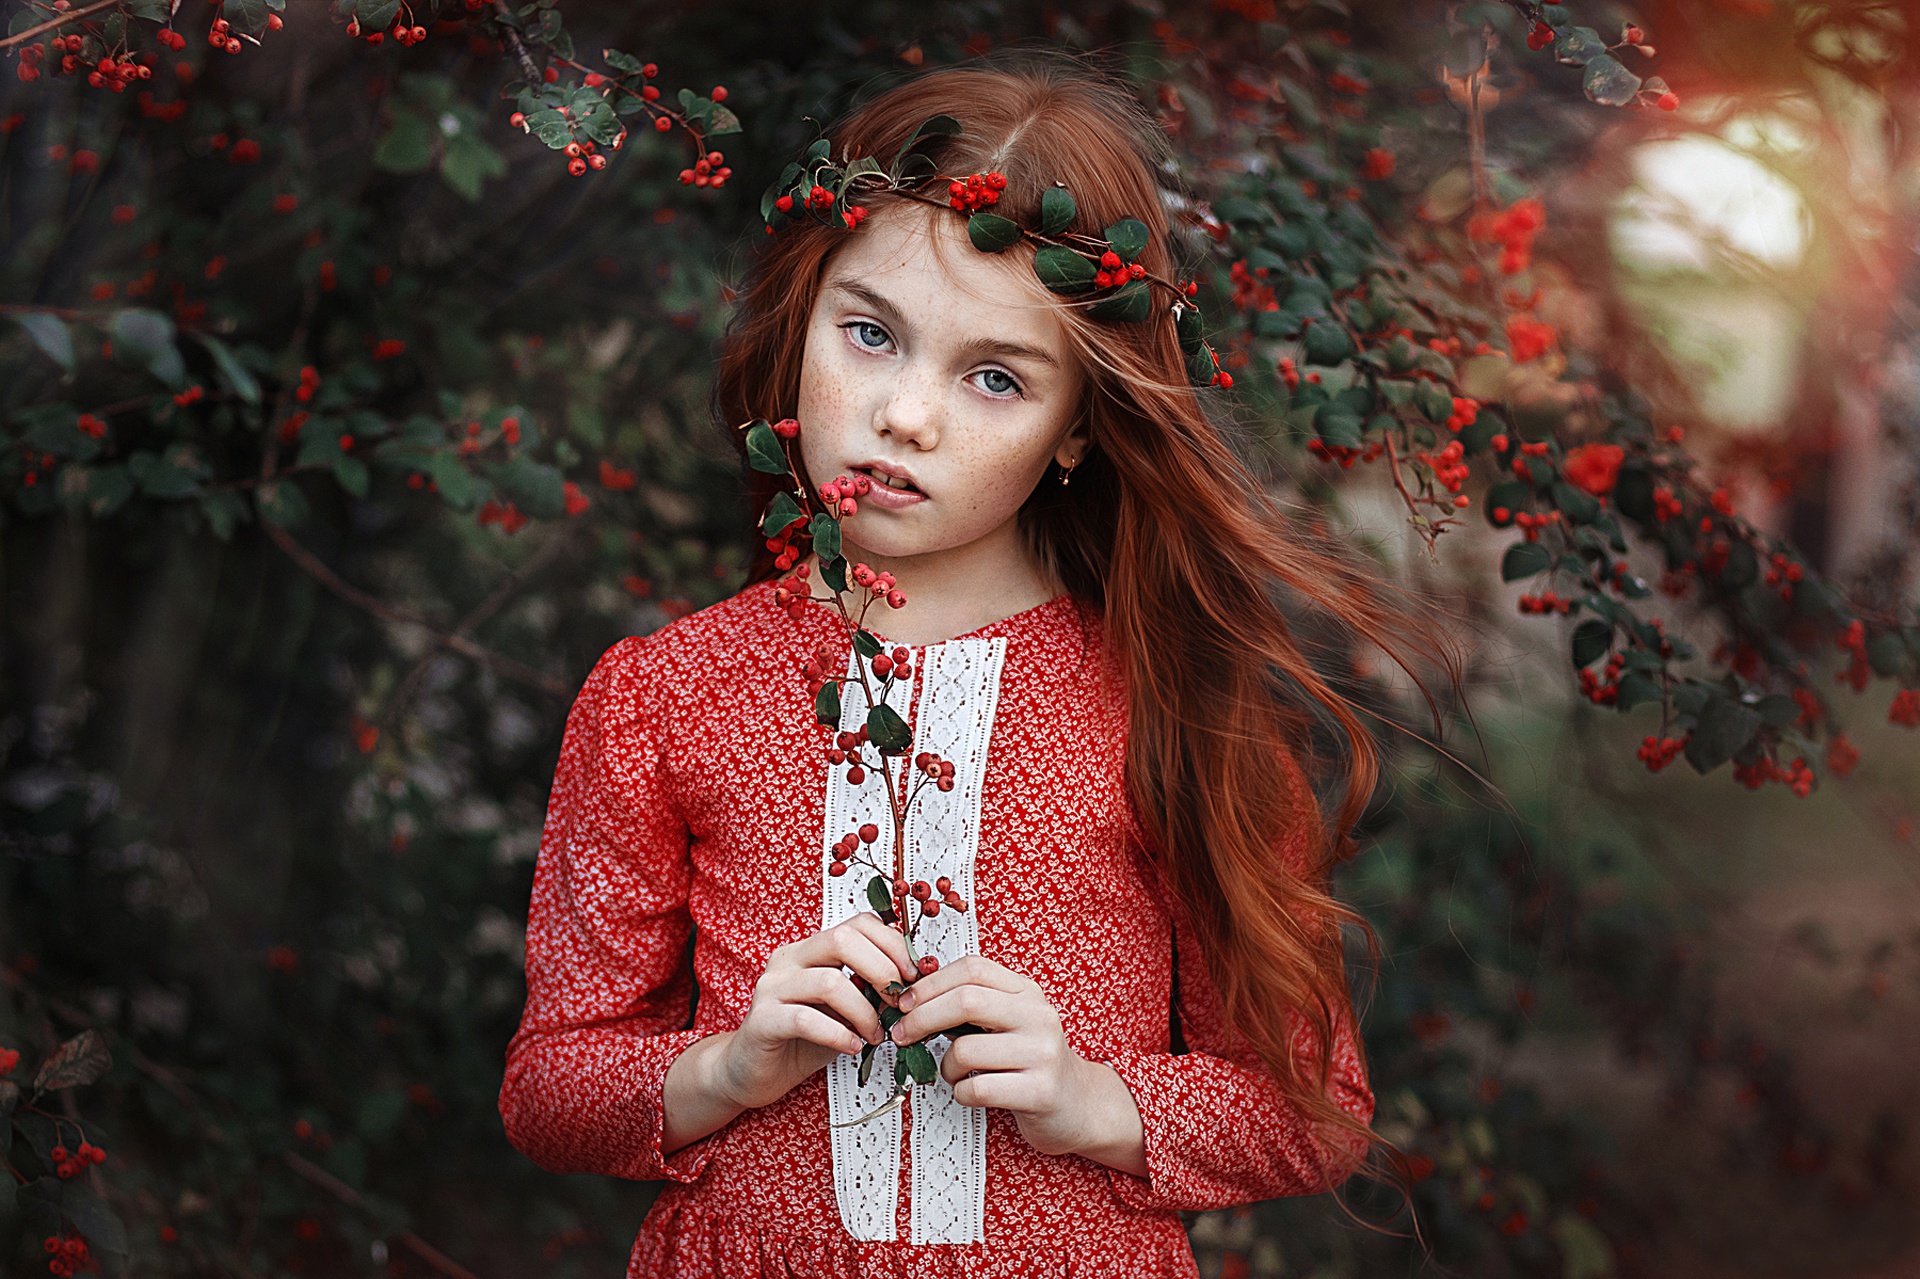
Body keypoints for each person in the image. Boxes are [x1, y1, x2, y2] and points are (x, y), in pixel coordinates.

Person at [499, 48, 1451, 1279]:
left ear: (1076, 434)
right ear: (800, 328)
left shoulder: (1170, 709)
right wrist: (727, 1064)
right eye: (870, 335)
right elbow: (549, 1085)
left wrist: (1096, 1100)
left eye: (996, 377)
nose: (907, 415)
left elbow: (1311, 1107)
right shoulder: (665, 698)